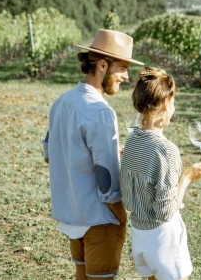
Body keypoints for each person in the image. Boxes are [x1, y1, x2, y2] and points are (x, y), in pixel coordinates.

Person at [42, 29, 144, 280]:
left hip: (72, 215)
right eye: (122, 68)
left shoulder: (62, 101)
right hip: (99, 219)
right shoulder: (100, 111)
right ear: (102, 65)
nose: (126, 76)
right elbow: (106, 180)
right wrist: (120, 215)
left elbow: (49, 152)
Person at [120, 67, 201, 280]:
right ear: (164, 103)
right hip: (163, 239)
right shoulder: (166, 150)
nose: (174, 108)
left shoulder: (131, 141)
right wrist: (187, 177)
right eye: (173, 102)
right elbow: (166, 211)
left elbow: (129, 197)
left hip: (140, 235)